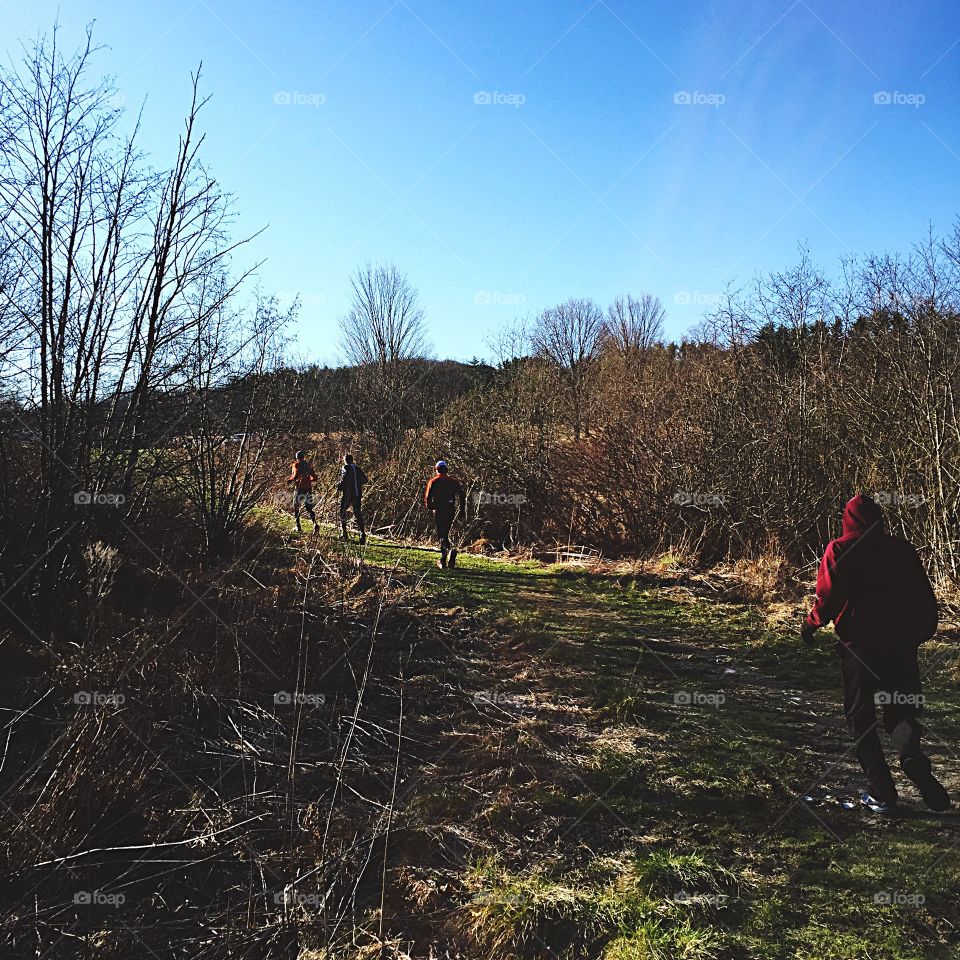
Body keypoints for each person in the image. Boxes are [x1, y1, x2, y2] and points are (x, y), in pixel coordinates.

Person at [802, 493, 948, 815]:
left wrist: (811, 625)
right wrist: (920, 634)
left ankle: (883, 793)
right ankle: (910, 755)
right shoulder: (902, 550)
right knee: (900, 711)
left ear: (847, 520)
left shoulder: (839, 549)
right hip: (900, 648)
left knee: (861, 718)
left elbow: (828, 597)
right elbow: (924, 597)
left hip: (859, 650)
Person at [424, 460, 466, 569]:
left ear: (436, 469)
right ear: (446, 469)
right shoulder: (452, 481)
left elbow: (428, 497)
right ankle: (444, 559)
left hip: (438, 510)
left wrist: (430, 506)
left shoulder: (434, 481)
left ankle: (446, 554)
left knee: (441, 535)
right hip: (450, 509)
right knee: (445, 533)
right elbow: (462, 495)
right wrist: (462, 510)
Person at [338, 454, 367, 544]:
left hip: (348, 494)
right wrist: (357, 483)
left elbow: (344, 478)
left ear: (346, 460)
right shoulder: (358, 468)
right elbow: (365, 480)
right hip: (358, 494)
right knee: (358, 513)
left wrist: (339, 486)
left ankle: (344, 533)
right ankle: (362, 534)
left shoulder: (345, 467)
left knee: (342, 512)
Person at [287, 450, 319, 534]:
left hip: (299, 488)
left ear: (297, 458)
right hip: (308, 488)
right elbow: (315, 478)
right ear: (303, 457)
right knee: (309, 508)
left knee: (296, 507)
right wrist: (308, 480)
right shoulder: (308, 465)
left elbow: (295, 476)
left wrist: (290, 480)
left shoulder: (296, 464)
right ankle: (315, 524)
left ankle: (298, 526)